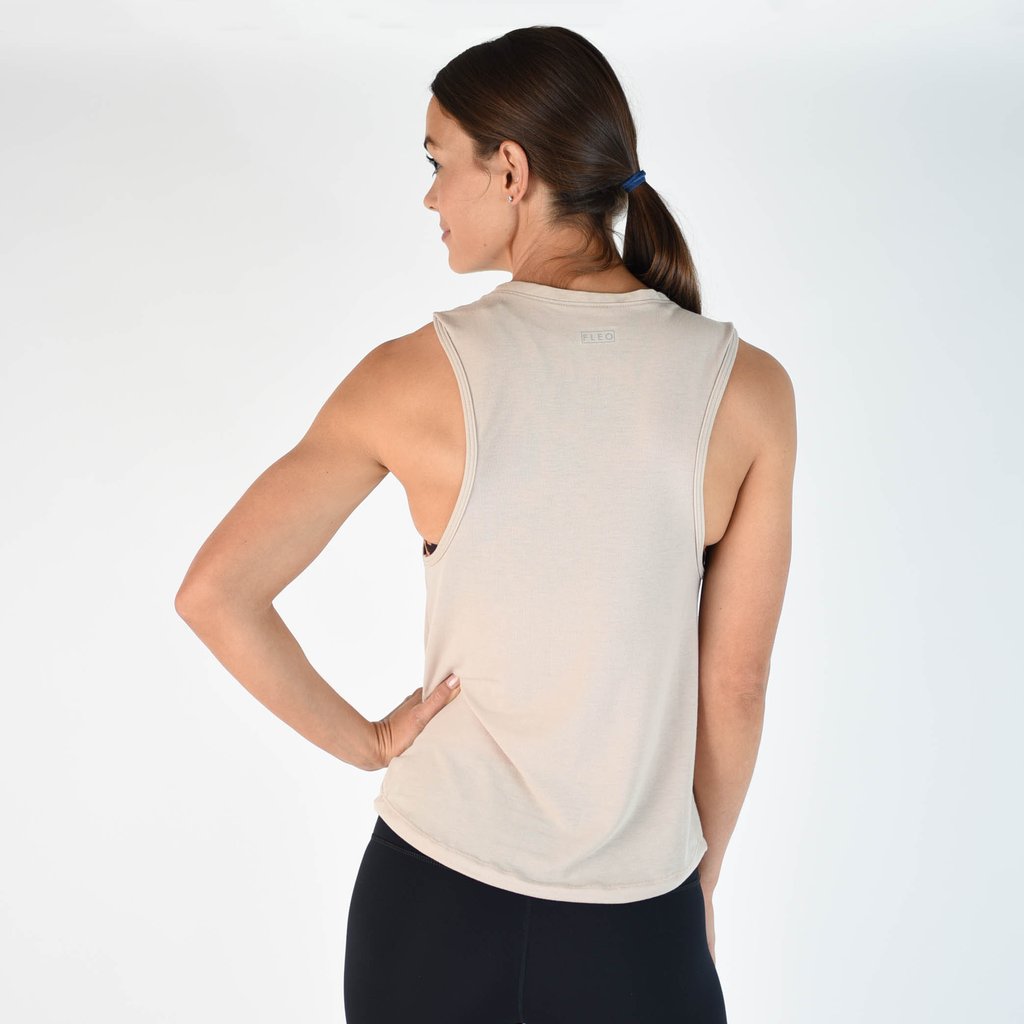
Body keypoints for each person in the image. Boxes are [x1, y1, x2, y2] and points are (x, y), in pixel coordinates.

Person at [175, 24, 795, 1024]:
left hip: (428, 905)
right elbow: (736, 684)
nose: (429, 197)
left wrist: (371, 741)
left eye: (436, 162)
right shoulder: (750, 392)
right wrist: (698, 886)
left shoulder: (408, 377)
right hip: (636, 923)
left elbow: (216, 592)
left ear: (510, 170)